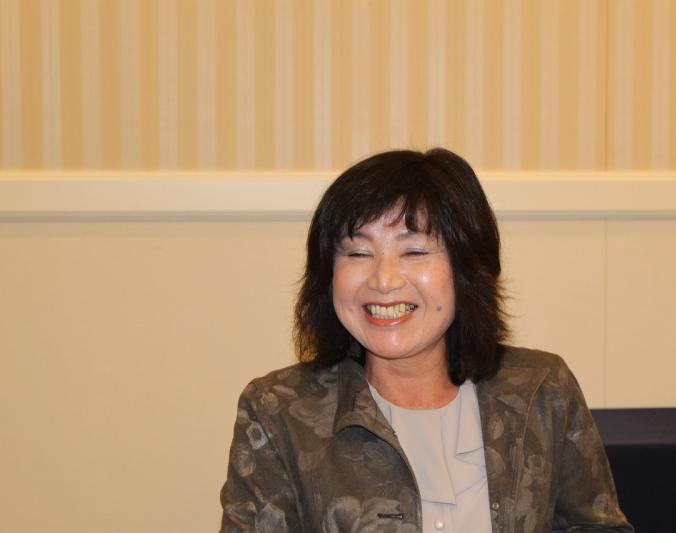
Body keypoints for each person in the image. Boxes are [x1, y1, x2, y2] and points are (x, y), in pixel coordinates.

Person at [220, 148, 633, 532]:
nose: (383, 280)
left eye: (414, 251)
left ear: (466, 268)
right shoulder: (278, 412)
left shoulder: (541, 390)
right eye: (358, 253)